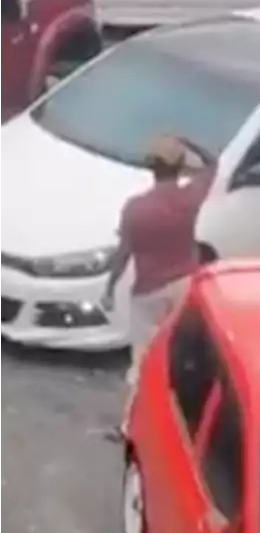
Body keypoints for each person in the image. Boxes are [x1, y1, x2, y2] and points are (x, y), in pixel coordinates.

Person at [102, 136, 218, 432]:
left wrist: (109, 287)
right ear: (180, 167)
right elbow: (213, 164)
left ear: (150, 168)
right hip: (185, 283)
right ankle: (183, 422)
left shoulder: (135, 209)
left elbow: (123, 254)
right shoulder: (188, 199)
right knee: (181, 353)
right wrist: (188, 141)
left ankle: (131, 425)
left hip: (148, 291)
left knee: (142, 358)